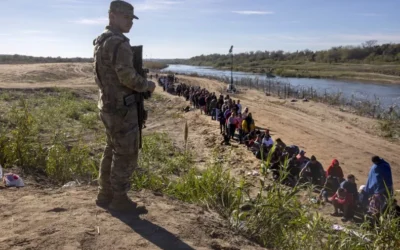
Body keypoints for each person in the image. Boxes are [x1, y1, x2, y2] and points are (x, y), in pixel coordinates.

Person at [93, 0, 156, 212]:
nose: (130, 22)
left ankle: (105, 194)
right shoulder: (119, 43)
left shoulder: (102, 41)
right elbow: (127, 76)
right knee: (126, 152)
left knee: (111, 147)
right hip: (121, 108)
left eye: (132, 18)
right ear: (112, 16)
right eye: (126, 17)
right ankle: (119, 198)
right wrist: (147, 85)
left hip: (107, 104)